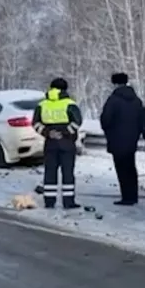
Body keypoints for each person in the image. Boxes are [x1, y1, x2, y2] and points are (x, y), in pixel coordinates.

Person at [32, 78, 83, 209]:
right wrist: (65, 132)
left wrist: (48, 133)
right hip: (67, 143)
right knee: (68, 173)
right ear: (65, 89)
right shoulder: (70, 104)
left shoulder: (42, 105)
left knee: (50, 172)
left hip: (50, 143)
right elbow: (77, 122)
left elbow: (35, 123)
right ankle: (68, 201)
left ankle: (49, 201)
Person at [100, 72, 145, 205]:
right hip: (132, 140)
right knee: (131, 168)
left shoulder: (113, 100)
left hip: (116, 140)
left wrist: (109, 132)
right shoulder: (137, 100)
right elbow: (142, 120)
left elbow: (105, 119)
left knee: (121, 169)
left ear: (115, 84)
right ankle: (133, 195)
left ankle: (126, 196)